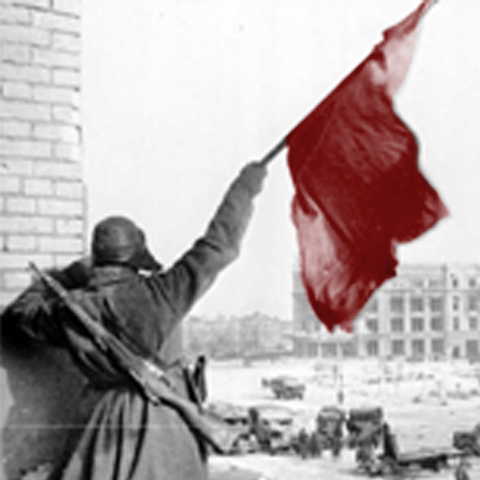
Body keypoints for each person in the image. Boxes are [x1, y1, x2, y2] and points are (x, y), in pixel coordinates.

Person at [2, 161, 267, 480]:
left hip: (103, 423)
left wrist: (71, 275)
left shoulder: (69, 310)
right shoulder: (163, 292)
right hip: (165, 425)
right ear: (137, 255)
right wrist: (245, 187)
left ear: (97, 257)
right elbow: (219, 244)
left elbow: (19, 314)